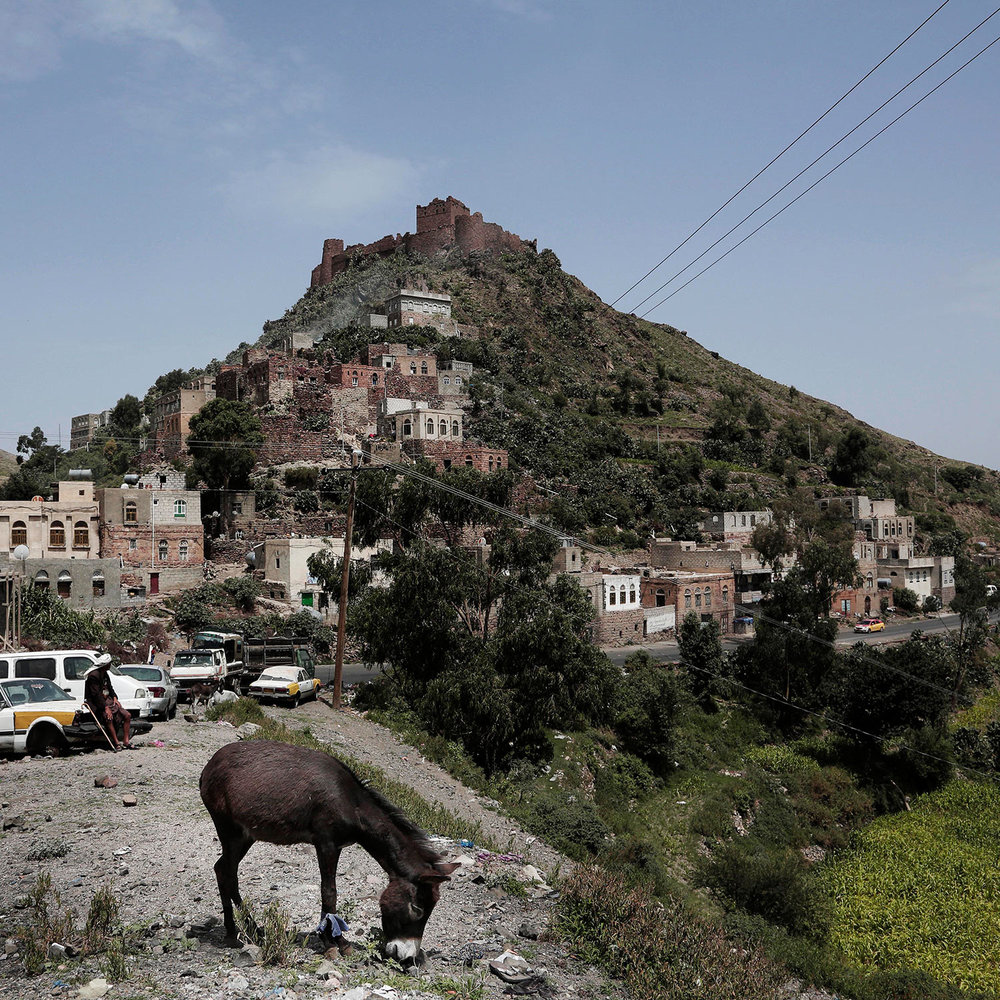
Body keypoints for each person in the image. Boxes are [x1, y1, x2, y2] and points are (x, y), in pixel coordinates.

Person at [85, 654, 133, 751]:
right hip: (98, 704)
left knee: (127, 715)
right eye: (109, 663)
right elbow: (96, 695)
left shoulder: (105, 674)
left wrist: (115, 698)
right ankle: (116, 743)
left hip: (109, 700)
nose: (110, 665)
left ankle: (126, 741)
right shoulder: (93, 676)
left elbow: (110, 688)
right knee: (108, 718)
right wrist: (106, 708)